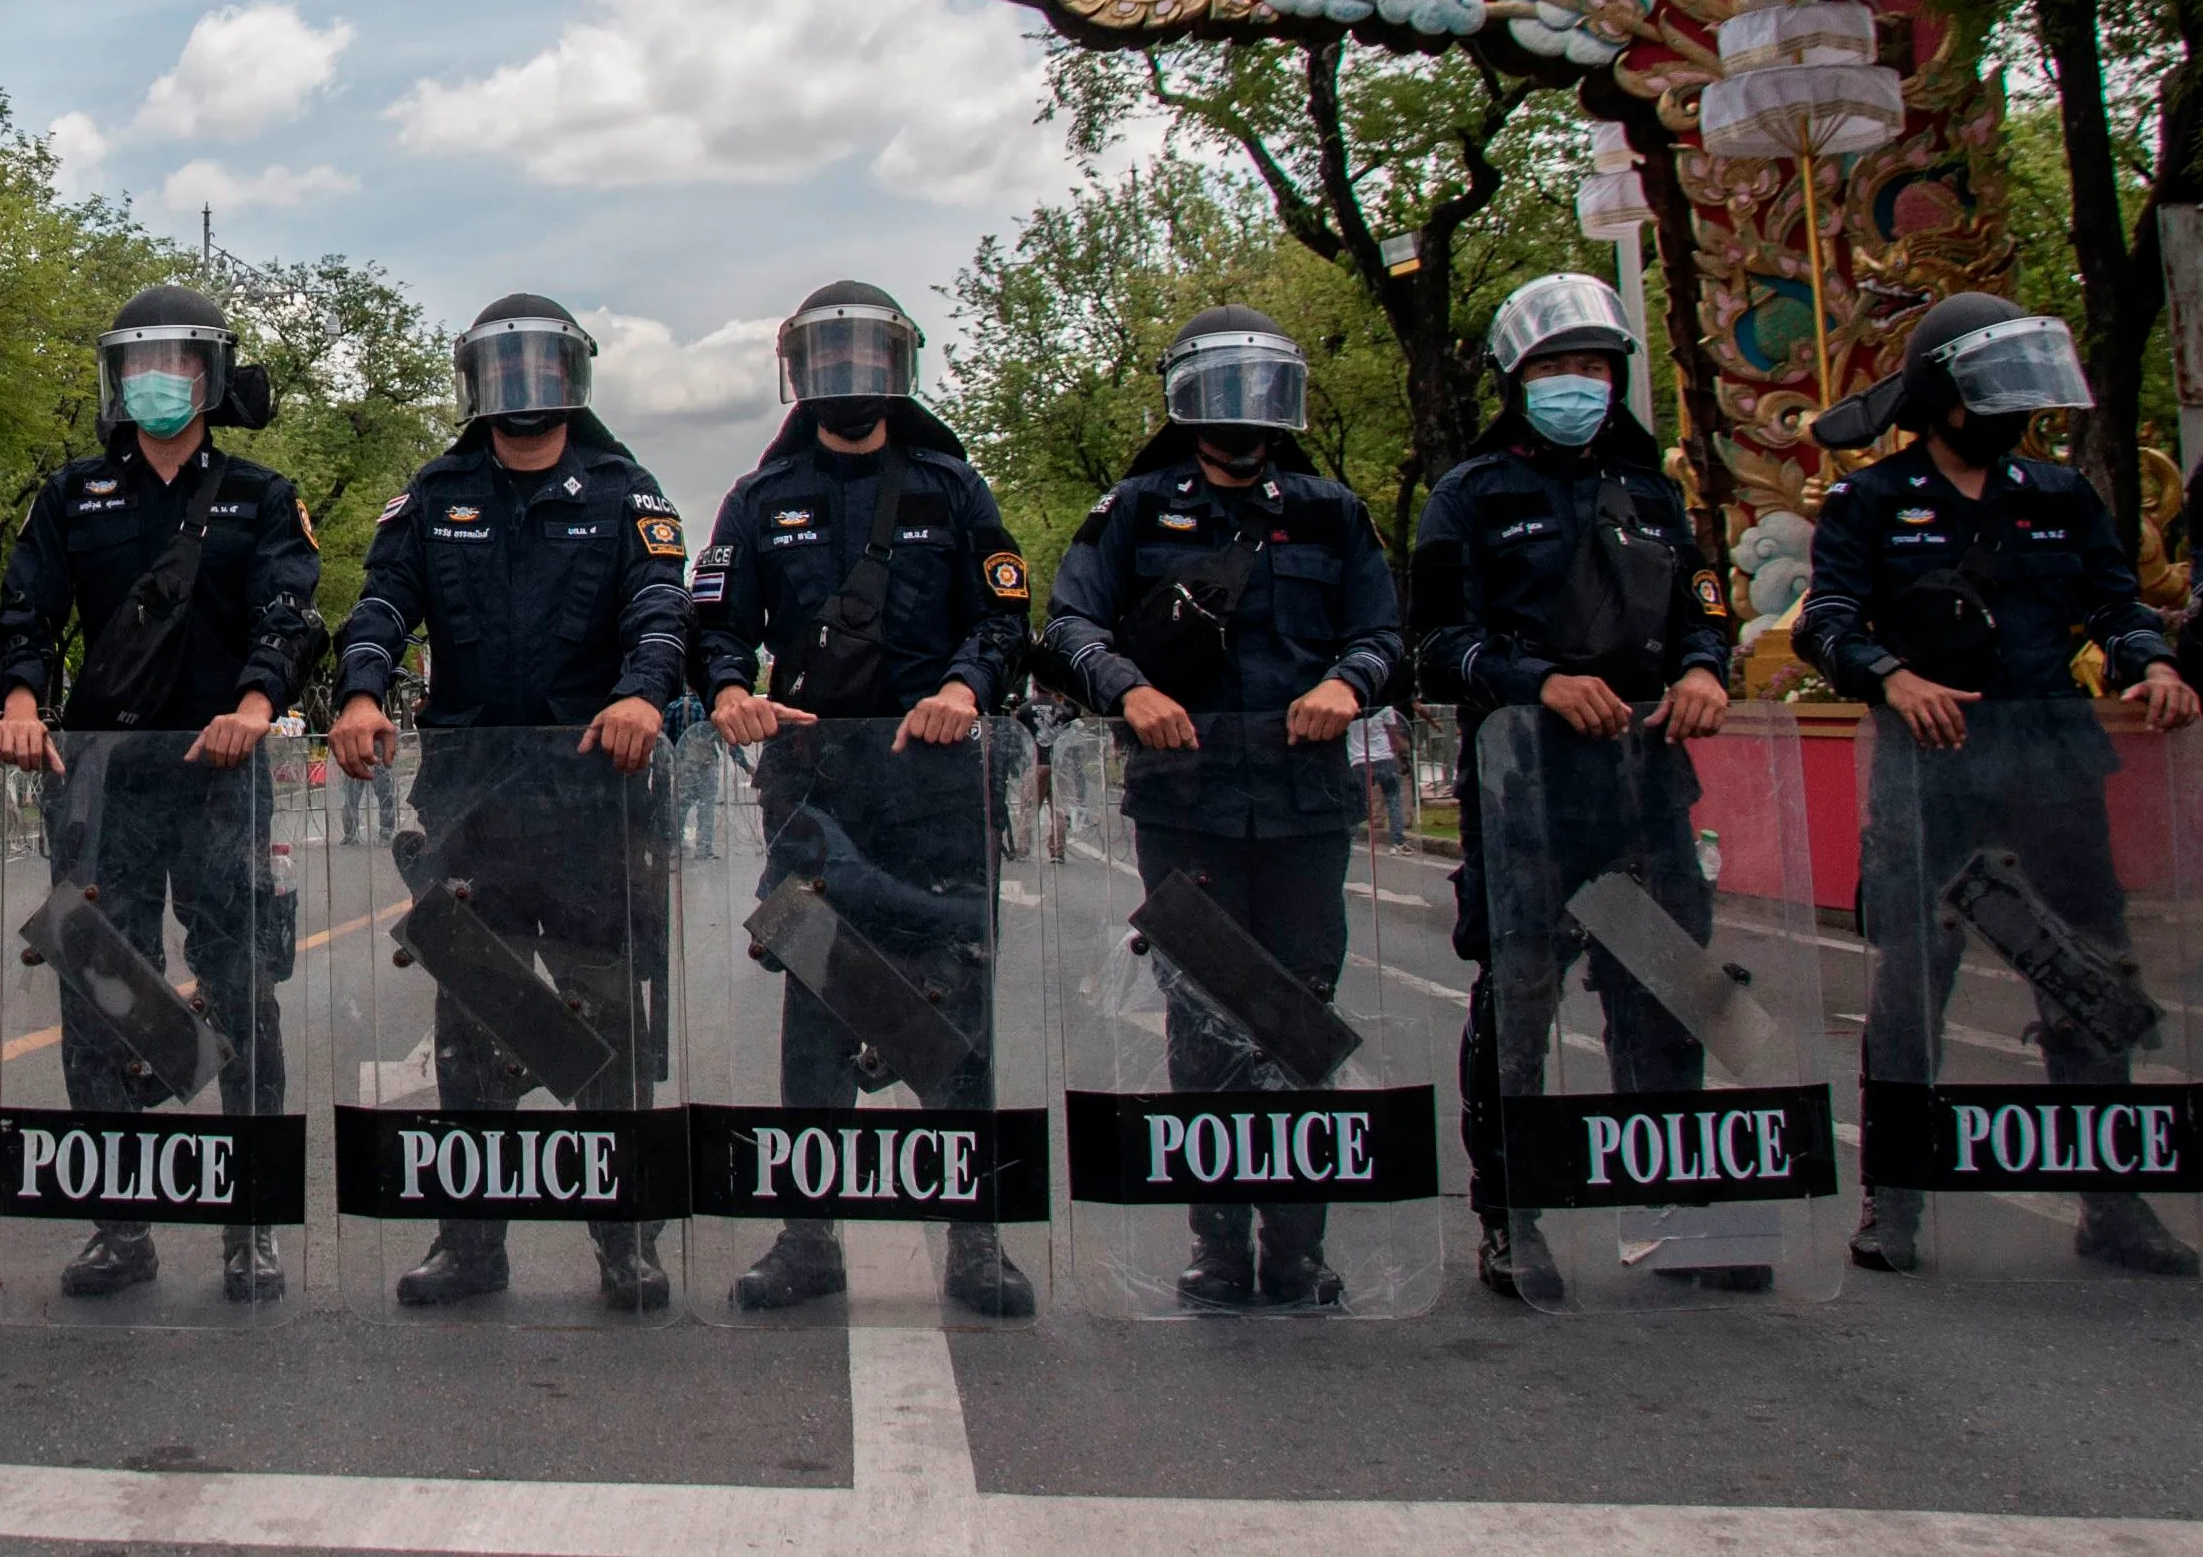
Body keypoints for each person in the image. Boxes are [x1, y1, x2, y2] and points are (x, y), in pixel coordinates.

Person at [1799, 292, 2203, 1278]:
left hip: (2051, 764)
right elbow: (1825, 623)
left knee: (2089, 971)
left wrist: (2150, 663)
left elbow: (2118, 602)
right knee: (1912, 985)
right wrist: (1889, 674)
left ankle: (2113, 1202)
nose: (2017, 409)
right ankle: (1891, 1202)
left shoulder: (2056, 495)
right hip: (1925, 772)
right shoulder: (1872, 502)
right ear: (1944, 398)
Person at [331, 296, 690, 1311]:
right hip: (472, 800)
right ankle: (469, 1241)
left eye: (541, 363)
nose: (522, 385)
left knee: (606, 1019)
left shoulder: (626, 490)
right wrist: (360, 687)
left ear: (573, 373)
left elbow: (660, 606)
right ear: (473, 379)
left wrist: (641, 690)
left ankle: (625, 1236)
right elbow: (381, 601)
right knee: (472, 1026)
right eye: (502, 364)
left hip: (593, 796)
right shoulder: (436, 490)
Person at [1040, 304, 1401, 1311]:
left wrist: (1350, 682)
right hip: (1186, 799)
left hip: (1301, 801)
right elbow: (1068, 622)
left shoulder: (1330, 511)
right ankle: (1215, 1241)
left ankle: (1295, 1244)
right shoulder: (1136, 509)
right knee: (1200, 1018)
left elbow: (1384, 631)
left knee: (1298, 1017)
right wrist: (1129, 688)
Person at [692, 282, 1037, 1318]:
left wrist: (963, 687)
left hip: (930, 776)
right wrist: (726, 693)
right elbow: (714, 624)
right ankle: (808, 1238)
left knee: (953, 994)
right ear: (799, 368)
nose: (846, 375)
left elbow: (1006, 616)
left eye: (865, 353)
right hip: (810, 783)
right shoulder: (759, 498)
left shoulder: (952, 486)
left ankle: (975, 1242)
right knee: (815, 1002)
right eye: (826, 355)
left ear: (898, 365)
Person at [0, 283, 323, 1302]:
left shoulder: (261, 495)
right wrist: (16, 700)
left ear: (211, 376)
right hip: (102, 777)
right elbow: (26, 611)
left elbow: (287, 609)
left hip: (220, 774)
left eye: (173, 362)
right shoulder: (70, 495)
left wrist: (260, 702)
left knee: (241, 985)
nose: (154, 381)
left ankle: (249, 1223)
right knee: (99, 985)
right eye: (135, 364)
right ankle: (117, 1222)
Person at [1412, 273, 1739, 1302]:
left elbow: (1701, 610)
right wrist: (1537, 683)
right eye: (1554, 367)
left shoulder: (1652, 492)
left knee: (1666, 990)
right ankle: (1511, 1212)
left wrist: (1702, 670)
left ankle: (1676, 1204)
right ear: (1515, 379)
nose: (1576, 384)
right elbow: (1436, 644)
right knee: (1520, 995)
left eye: (1592, 366)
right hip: (1524, 782)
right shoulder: (1469, 495)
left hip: (1643, 775)